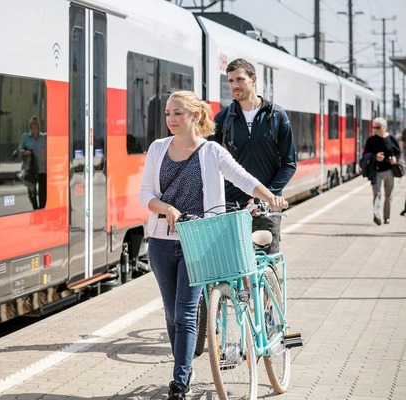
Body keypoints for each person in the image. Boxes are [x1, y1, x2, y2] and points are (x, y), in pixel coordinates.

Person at [140, 90, 287, 400]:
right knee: (170, 314)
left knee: (185, 314)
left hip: (200, 243)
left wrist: (269, 195)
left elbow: (242, 178)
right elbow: (146, 196)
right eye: (168, 113)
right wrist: (166, 209)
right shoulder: (157, 149)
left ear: (196, 116)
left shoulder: (211, 152)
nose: (171, 119)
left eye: (178, 113)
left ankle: (179, 382)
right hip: (162, 244)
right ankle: (186, 365)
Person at [212, 58, 296, 253]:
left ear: (253, 79)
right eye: (230, 81)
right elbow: (208, 159)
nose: (235, 85)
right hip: (232, 206)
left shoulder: (276, 116)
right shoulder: (223, 118)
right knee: (232, 268)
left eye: (240, 79)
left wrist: (268, 195)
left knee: (266, 265)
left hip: (266, 206)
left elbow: (289, 163)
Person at [361, 117, 401, 225]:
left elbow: (398, 152)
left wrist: (395, 159)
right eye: (374, 127)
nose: (375, 130)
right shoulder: (371, 140)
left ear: (384, 127)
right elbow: (365, 155)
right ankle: (376, 215)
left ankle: (386, 217)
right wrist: (375, 157)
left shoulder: (391, 138)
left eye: (378, 127)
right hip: (376, 171)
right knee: (377, 194)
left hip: (389, 171)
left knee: (389, 195)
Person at [16, 116, 47, 210]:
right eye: (32, 124)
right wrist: (25, 152)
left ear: (38, 126)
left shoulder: (44, 137)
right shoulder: (25, 137)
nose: (34, 125)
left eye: (36, 123)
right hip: (31, 171)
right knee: (32, 194)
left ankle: (41, 212)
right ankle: (35, 209)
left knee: (43, 195)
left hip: (42, 170)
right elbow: (19, 151)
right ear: (30, 126)